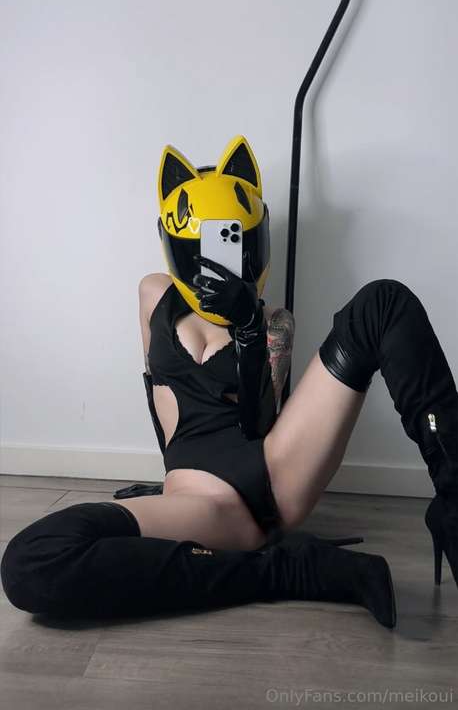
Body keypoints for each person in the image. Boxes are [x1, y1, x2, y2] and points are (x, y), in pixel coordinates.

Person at [2, 137, 456, 627]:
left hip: (271, 472)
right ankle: (290, 570)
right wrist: (164, 486)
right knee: (35, 561)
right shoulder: (153, 294)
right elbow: (158, 400)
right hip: (206, 500)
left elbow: (258, 423)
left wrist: (249, 331)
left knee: (384, 302)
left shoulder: (274, 323)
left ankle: (453, 503)